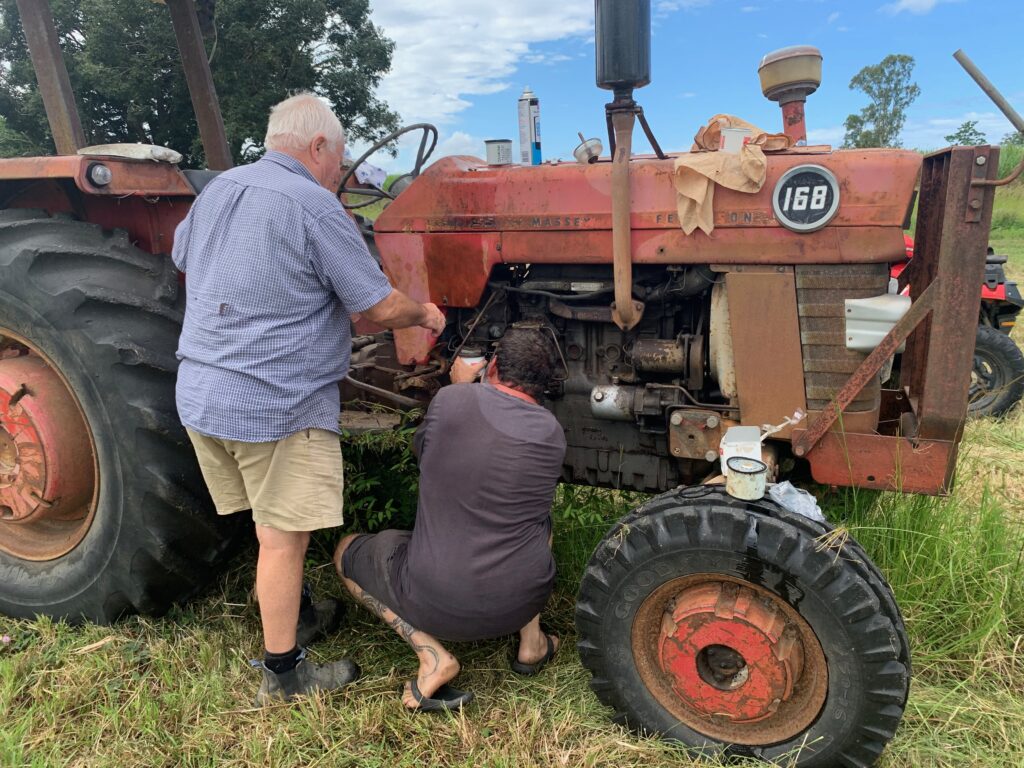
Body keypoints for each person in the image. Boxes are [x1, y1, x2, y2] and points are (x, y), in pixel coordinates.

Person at [171, 92, 446, 706]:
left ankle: (292, 616)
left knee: (265, 525)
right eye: (339, 156)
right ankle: (284, 672)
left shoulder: (219, 188)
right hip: (273, 400)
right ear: (317, 146)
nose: (339, 169)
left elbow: (181, 254)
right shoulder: (314, 205)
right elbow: (375, 306)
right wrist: (424, 312)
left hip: (202, 393)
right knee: (281, 537)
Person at [333, 327, 567, 712]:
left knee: (346, 552)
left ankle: (433, 656)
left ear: (490, 366)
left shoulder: (452, 400)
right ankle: (532, 644)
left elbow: (423, 452)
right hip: (522, 600)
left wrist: (459, 384)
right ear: (543, 385)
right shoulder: (552, 433)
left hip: (435, 600)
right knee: (539, 524)